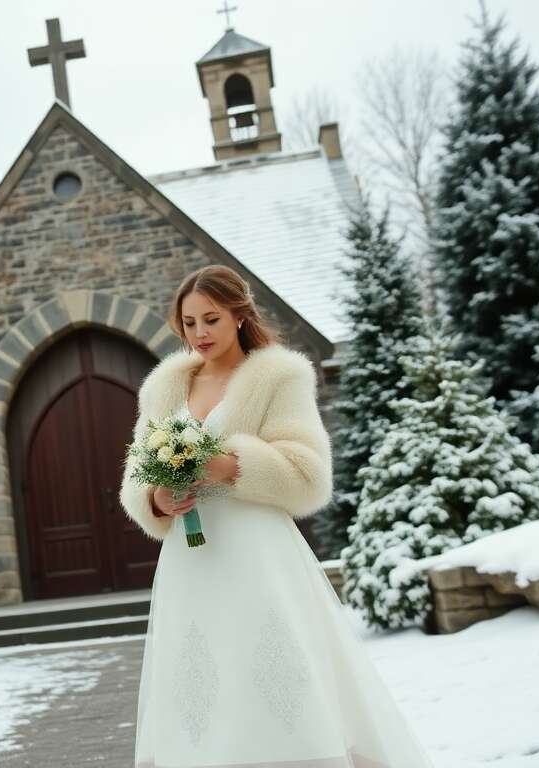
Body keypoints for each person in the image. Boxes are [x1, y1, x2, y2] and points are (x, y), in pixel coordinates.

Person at [120, 265, 435, 767]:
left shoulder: (279, 377)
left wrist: (230, 464)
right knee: (202, 674)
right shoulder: (163, 389)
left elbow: (311, 474)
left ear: (240, 316)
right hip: (190, 558)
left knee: (272, 665)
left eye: (211, 319)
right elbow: (138, 475)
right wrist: (158, 499)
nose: (199, 333)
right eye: (189, 323)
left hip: (257, 549)